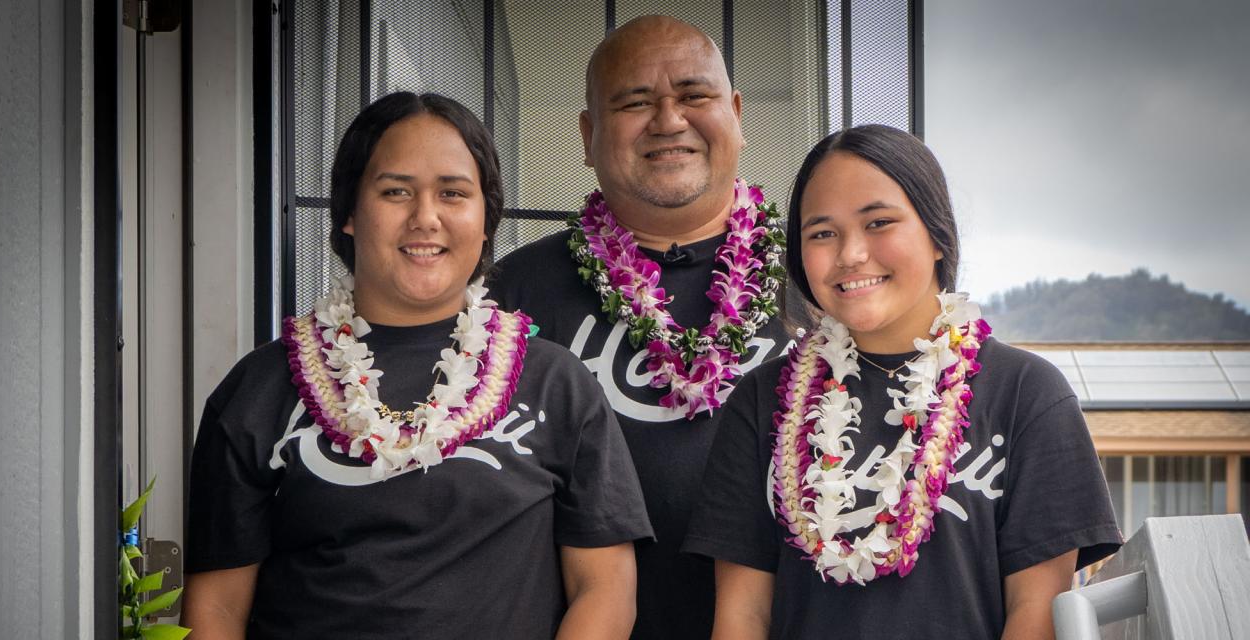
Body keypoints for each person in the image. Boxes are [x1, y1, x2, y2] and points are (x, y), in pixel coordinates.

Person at [180, 91, 652, 639]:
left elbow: (607, 589)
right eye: (396, 191)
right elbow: (215, 608)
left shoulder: (555, 383)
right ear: (351, 213)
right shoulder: (262, 387)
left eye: (453, 193)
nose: (425, 218)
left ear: (484, 219)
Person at [682, 124, 1122, 638]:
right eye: (822, 233)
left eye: (878, 223)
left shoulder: (1027, 394)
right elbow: (743, 615)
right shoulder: (765, 402)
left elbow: (1037, 610)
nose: (850, 254)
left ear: (937, 236)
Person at [489, 15, 793, 639]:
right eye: (634, 102)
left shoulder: (817, 283)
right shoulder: (509, 296)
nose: (668, 120)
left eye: (694, 95)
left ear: (735, 111)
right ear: (589, 133)